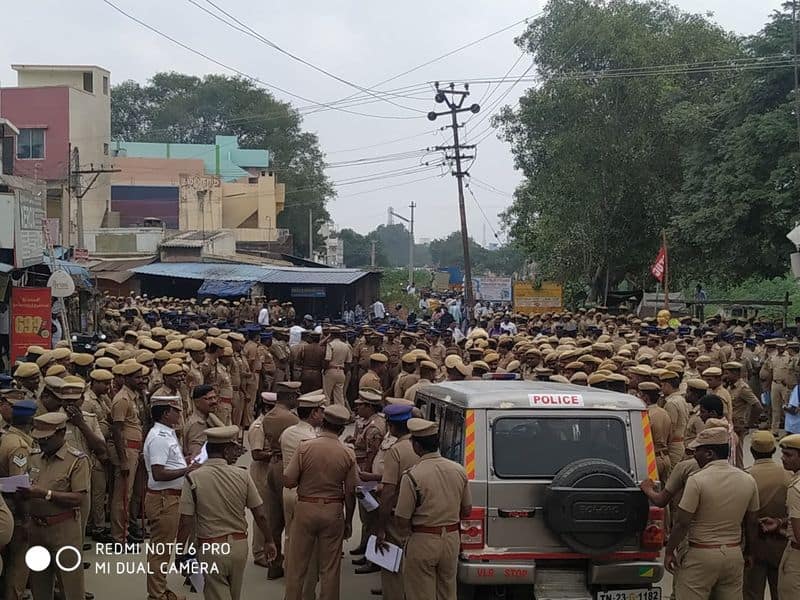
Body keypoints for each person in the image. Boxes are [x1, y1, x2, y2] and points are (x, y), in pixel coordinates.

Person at [176, 425, 277, 600]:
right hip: (239, 546)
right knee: (233, 594)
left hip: (211, 547)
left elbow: (186, 521)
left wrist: (179, 553)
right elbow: (260, 514)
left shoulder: (193, 478)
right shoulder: (242, 475)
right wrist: (269, 540)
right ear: (226, 451)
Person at [664, 425, 760, 600]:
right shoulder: (748, 480)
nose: (694, 455)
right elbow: (752, 522)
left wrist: (670, 551)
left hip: (701, 555)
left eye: (697, 451)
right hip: (733, 554)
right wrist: (750, 553)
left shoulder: (697, 480)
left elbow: (682, 523)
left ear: (709, 454)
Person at [283, 404, 357, 600]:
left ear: (322, 423)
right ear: (341, 429)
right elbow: (350, 492)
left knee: (297, 565)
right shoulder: (348, 453)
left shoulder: (305, 447)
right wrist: (348, 520)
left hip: (306, 507)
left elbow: (288, 480)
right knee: (330, 568)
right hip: (333, 510)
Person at [394, 418, 472, 600]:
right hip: (451, 540)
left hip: (423, 539)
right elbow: (467, 510)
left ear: (417, 447)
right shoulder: (459, 470)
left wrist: (406, 537)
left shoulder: (413, 475)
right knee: (447, 591)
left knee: (420, 592)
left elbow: (401, 518)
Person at [22, 411, 90, 600]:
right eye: (39, 439)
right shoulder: (34, 456)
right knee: (39, 586)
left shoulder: (77, 460)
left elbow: (78, 498)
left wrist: (47, 494)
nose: (41, 443)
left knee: (71, 587)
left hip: (64, 530)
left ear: (61, 433)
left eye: (46, 439)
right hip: (36, 530)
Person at [143, 394, 199, 600]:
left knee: (164, 549)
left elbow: (168, 464)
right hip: (164, 499)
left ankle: (159, 589)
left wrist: (184, 463)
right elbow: (158, 473)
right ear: (166, 413)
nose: (180, 413)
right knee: (161, 551)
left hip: (171, 497)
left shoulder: (166, 433)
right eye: (176, 410)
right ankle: (157, 594)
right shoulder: (159, 438)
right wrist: (188, 470)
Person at [279, 393, 325, 600]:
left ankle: (289, 574)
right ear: (314, 413)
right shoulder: (312, 438)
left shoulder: (288, 432)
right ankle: (303, 584)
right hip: (303, 492)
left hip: (287, 491)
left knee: (290, 535)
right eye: (321, 410)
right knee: (307, 544)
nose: (323, 414)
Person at [373, 404, 420, 600]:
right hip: (419, 515)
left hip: (396, 516)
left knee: (391, 566)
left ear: (391, 427)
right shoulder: (420, 446)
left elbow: (389, 492)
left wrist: (381, 527)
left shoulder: (396, 451)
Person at [742, 431, 790, 600]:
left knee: (752, 593)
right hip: (781, 544)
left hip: (754, 544)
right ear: (774, 450)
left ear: (752, 451)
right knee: (781, 592)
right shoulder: (788, 476)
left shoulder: (746, 476)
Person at [261, 381, 301, 579]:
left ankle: (274, 564)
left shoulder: (269, 416)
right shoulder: (291, 419)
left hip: (273, 465)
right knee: (292, 518)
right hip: (287, 464)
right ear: (290, 398)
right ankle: (295, 564)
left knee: (274, 518)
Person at [0, 399, 37, 600]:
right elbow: (18, 486)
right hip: (14, 508)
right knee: (18, 563)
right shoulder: (19, 446)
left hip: (7, 505)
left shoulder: (7, 437)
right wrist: (25, 519)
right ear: (31, 420)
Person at [109, 361, 146, 544]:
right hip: (127, 450)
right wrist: (123, 460)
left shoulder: (134, 396)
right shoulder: (122, 399)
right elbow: (117, 430)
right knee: (122, 495)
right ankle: (119, 537)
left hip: (135, 448)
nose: (141, 380)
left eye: (141, 377)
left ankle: (125, 530)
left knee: (130, 493)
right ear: (127, 379)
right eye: (137, 377)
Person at [760, 433, 800, 598]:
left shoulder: (795, 489)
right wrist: (781, 522)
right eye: (783, 454)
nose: (783, 458)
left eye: (789, 455)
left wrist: (781, 531)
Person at [323, 327, 352, 407]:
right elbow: (348, 362)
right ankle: (340, 415)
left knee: (327, 395)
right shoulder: (346, 346)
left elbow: (327, 359)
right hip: (341, 371)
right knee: (339, 396)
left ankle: (326, 413)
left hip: (331, 370)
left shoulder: (330, 344)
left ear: (331, 335)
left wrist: (324, 370)